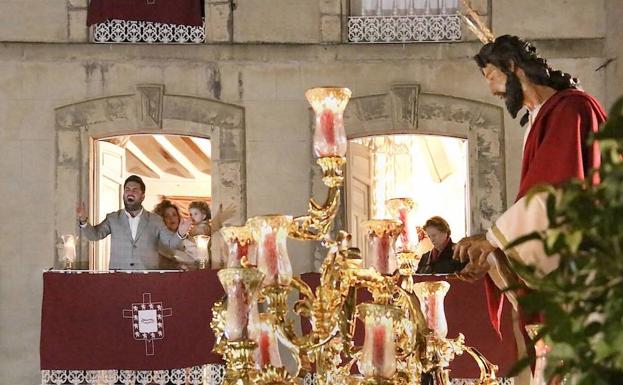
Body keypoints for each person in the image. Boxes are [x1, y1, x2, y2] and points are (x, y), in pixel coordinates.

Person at [452, 35, 607, 336]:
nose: (490, 87)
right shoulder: (540, 117)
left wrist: (495, 241)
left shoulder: (572, 108)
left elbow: (556, 190)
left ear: (513, 67)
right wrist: (494, 248)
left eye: (492, 76)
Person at [76, 175, 192, 270]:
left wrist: (180, 233)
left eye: (135, 190)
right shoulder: (113, 218)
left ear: (142, 196)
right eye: (127, 189)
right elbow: (94, 235)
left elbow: (170, 243)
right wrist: (83, 221)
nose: (130, 192)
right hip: (119, 278)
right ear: (123, 195)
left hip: (147, 278)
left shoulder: (155, 220)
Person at [153, 199, 198, 270]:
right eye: (167, 216)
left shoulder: (188, 238)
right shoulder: (158, 240)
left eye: (174, 215)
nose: (172, 218)